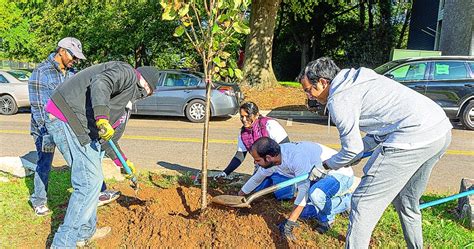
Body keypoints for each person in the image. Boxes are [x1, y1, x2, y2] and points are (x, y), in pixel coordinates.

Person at [298, 57, 452, 248]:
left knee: (362, 203)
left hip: (412, 137)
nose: (310, 96)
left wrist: (325, 166)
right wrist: (353, 154)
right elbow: (380, 129)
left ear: (323, 81)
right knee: (406, 201)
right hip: (440, 131)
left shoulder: (339, 99)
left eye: (308, 90)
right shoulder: (356, 77)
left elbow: (352, 149)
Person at [44, 62, 160, 247]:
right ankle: (63, 244)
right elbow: (101, 81)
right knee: (89, 182)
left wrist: (123, 162)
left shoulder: (126, 103)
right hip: (67, 117)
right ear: (147, 86)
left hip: (81, 125)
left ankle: (84, 233)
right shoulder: (127, 73)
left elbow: (108, 138)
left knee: (94, 180)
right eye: (149, 92)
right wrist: (102, 117)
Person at [28, 37, 120, 217]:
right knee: (45, 163)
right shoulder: (41, 73)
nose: (75, 61)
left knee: (85, 157)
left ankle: (100, 191)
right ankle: (38, 200)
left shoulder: (72, 73)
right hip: (44, 129)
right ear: (61, 50)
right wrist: (47, 135)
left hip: (67, 126)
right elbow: (39, 107)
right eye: (73, 56)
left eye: (77, 58)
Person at [240, 137, 354, 240]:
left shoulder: (296, 158)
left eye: (257, 160)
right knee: (304, 212)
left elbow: (303, 192)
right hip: (318, 177)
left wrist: (290, 223)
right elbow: (256, 179)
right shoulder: (274, 160)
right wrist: (239, 196)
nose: (255, 162)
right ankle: (343, 203)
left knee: (316, 195)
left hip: (339, 174)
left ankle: (329, 217)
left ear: (268, 158)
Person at [215, 101, 292, 200]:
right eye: (241, 116)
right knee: (257, 193)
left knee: (283, 196)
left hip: (280, 166)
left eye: (247, 116)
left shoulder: (269, 125)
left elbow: (286, 146)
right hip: (262, 168)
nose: (244, 119)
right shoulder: (244, 134)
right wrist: (225, 172)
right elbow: (240, 156)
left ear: (256, 115)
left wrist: (274, 165)